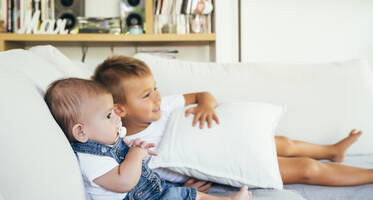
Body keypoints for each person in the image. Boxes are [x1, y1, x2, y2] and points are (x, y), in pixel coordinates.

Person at [92, 56, 373, 189]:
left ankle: (332, 151)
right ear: (120, 109)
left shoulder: (163, 104)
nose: (157, 97)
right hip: (223, 160)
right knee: (307, 169)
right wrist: (181, 193)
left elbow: (204, 94)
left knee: (284, 143)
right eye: (146, 95)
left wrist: (205, 105)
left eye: (156, 88)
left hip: (229, 138)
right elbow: (140, 182)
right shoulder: (125, 144)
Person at [44, 78, 259, 200]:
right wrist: (135, 156)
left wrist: (132, 148)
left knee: (191, 196)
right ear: (81, 132)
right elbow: (123, 182)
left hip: (154, 193)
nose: (117, 118)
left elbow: (124, 162)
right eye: (109, 115)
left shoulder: (105, 140)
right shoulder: (90, 159)